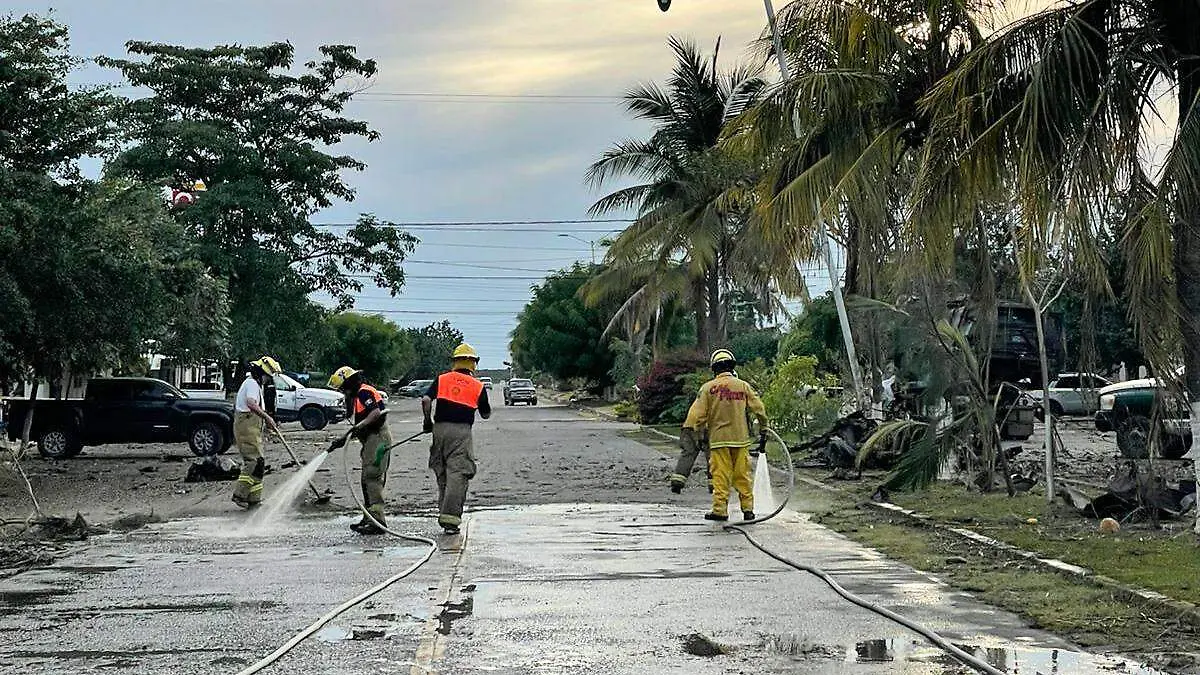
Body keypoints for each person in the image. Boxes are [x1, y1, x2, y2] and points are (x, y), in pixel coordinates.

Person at [685, 349, 769, 522]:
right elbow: (759, 409)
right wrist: (763, 428)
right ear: (732, 366)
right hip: (740, 440)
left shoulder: (707, 389)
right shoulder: (743, 386)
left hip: (718, 441)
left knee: (720, 477)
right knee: (743, 476)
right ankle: (748, 510)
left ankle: (720, 511)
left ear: (714, 368)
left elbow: (697, 416)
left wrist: (699, 435)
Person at [422, 343, 491, 535]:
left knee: (441, 470)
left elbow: (426, 400)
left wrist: (427, 421)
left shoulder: (442, 379)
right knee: (458, 473)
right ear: (473, 364)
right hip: (461, 432)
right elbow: (485, 414)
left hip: (439, 429)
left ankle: (443, 510)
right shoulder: (478, 386)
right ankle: (450, 520)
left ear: (455, 362)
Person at [327, 366, 393, 535]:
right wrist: (343, 440)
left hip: (378, 439)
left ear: (349, 383)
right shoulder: (359, 395)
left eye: (343, 388)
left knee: (372, 477)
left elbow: (376, 413)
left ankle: (377, 521)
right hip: (371, 439)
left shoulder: (364, 392)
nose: (344, 392)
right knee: (366, 479)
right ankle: (369, 518)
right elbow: (362, 425)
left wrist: (358, 427)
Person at [233, 356, 282, 509]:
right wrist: (267, 417)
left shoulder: (254, 384)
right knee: (253, 461)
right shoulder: (252, 384)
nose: (267, 380)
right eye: (267, 376)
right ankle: (240, 495)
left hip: (251, 427)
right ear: (261, 373)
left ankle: (254, 499)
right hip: (245, 426)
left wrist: (266, 425)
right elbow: (251, 403)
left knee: (259, 462)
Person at [669, 397, 711, 494]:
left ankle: (677, 482)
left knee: (688, 454)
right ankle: (714, 485)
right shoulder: (719, 395)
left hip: (688, 426)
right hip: (705, 426)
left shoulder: (704, 392)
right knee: (712, 455)